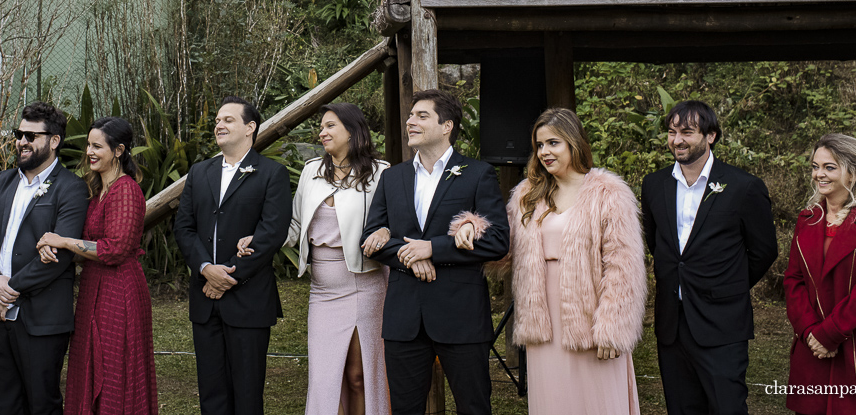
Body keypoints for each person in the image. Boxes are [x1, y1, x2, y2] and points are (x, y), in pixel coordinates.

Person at [456, 108, 645, 415]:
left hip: (591, 319)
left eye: (553, 143)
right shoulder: (528, 194)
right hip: (542, 321)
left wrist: (613, 327)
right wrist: (470, 226)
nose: (544, 152)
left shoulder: (608, 193)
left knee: (597, 403)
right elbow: (502, 248)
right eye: (539, 145)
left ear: (574, 143)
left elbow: (623, 267)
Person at [361, 89, 509, 415]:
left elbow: (498, 240)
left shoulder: (477, 173)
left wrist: (433, 248)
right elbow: (371, 238)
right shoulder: (392, 177)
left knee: (474, 407)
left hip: (461, 317)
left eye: (421, 116)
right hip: (404, 318)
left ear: (447, 126)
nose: (410, 121)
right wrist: (413, 259)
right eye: (411, 116)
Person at [240, 102, 391, 415]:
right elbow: (294, 225)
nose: (322, 133)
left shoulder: (381, 173)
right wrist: (262, 239)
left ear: (353, 131)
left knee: (359, 376)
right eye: (321, 127)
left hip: (366, 285)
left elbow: (392, 220)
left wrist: (387, 231)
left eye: (330, 126)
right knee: (325, 379)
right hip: (322, 290)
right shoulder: (312, 171)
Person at [641, 100, 779, 415]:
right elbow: (658, 244)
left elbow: (764, 250)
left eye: (687, 132)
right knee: (682, 408)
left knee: (727, 408)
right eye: (672, 131)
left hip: (722, 323)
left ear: (711, 135)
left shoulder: (744, 187)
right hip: (671, 324)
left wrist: (726, 284)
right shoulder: (653, 184)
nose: (677, 140)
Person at [173, 96, 292, 415]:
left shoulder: (271, 173)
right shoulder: (199, 172)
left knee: (247, 394)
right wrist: (204, 269)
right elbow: (184, 227)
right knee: (211, 393)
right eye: (217, 120)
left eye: (228, 120)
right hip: (205, 301)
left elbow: (271, 234)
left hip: (248, 300)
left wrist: (228, 277)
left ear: (250, 128)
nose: (219, 125)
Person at [0, 101, 88, 415]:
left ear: (54, 141)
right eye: (19, 134)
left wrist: (9, 291)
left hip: (41, 319)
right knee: (6, 403)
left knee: (42, 404)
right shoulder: (3, 182)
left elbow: (59, 256)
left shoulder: (71, 189)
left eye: (31, 136)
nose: (22, 141)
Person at [37, 116, 158, 415]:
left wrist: (64, 241)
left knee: (115, 367)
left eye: (97, 146)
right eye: (88, 145)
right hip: (94, 286)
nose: (89, 151)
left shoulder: (126, 190)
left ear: (118, 150)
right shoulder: (96, 190)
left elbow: (115, 249)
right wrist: (50, 245)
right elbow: (89, 245)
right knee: (88, 362)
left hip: (120, 291)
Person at [783, 134, 856, 415]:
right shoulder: (807, 219)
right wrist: (811, 331)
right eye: (815, 166)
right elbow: (793, 280)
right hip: (812, 349)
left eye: (829, 167)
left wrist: (830, 334)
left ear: (854, 173)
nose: (819, 174)